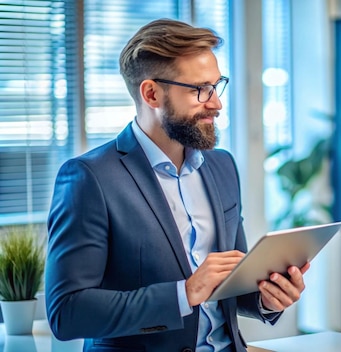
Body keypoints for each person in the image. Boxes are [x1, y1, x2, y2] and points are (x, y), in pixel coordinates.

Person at [45, 18, 308, 352]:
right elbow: (67, 313)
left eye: (216, 86)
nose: (216, 103)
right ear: (152, 93)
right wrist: (184, 293)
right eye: (200, 90)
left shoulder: (222, 166)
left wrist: (269, 298)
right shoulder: (89, 178)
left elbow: (230, 285)